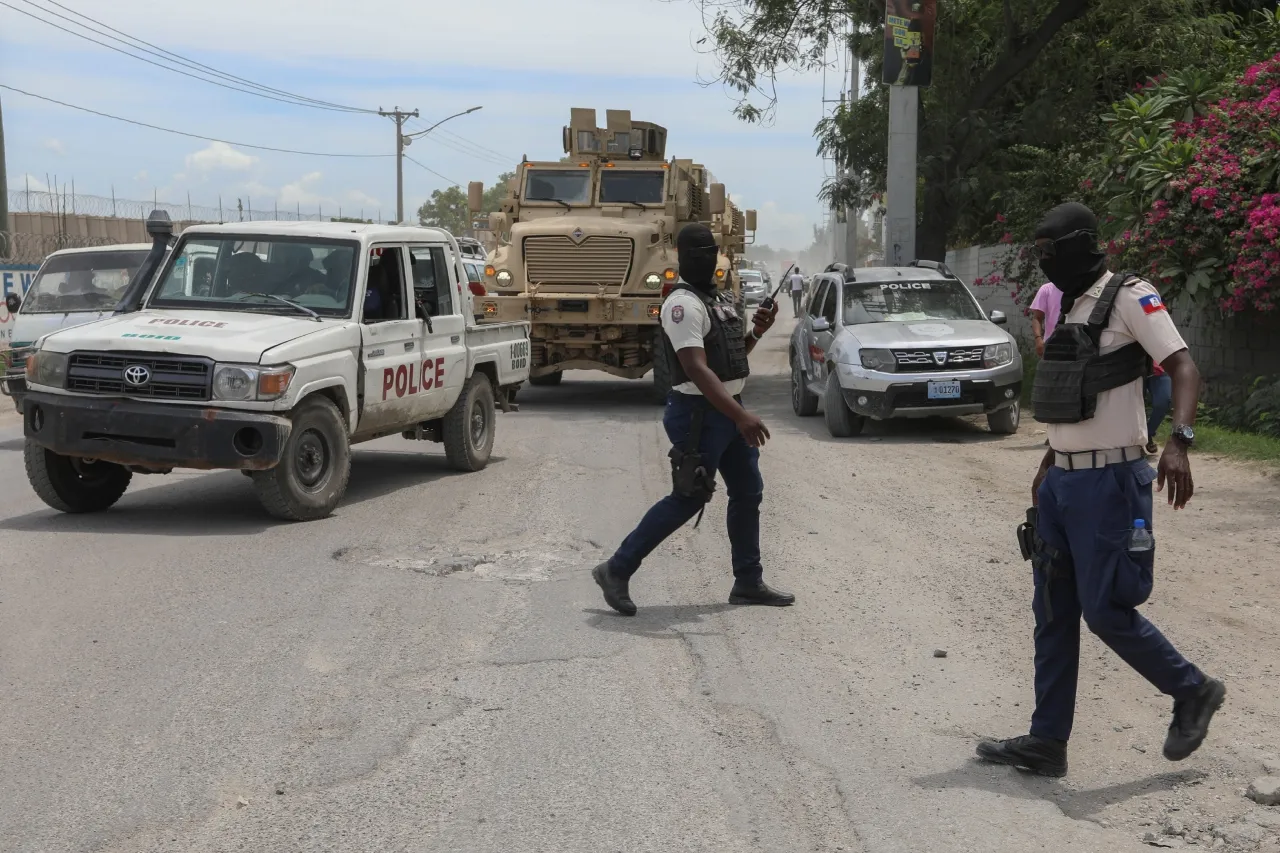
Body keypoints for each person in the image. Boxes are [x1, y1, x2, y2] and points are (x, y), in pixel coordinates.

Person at [977, 202, 1223, 777]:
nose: (1044, 263)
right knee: (1053, 610)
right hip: (1063, 480)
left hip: (1112, 481)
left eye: (1049, 251)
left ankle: (1192, 690)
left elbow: (1183, 367)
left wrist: (1180, 442)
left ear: (1082, 244)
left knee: (1107, 610)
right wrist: (1047, 465)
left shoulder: (1132, 297)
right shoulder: (1064, 302)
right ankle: (1046, 741)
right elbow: (1070, 394)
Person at [592, 223, 794, 616]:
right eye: (695, 253)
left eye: (710, 252)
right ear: (682, 259)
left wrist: (757, 331)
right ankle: (616, 569)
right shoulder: (682, 305)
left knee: (748, 490)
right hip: (699, 414)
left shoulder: (717, 300)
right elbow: (697, 369)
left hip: (726, 409)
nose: (704, 259)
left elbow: (731, 359)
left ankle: (748, 581)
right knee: (688, 498)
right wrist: (741, 416)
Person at [1029, 281, 1063, 358]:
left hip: (1075, 346)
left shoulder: (1080, 289)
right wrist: (1038, 339)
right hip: (1051, 345)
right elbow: (1037, 318)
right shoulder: (1046, 289)